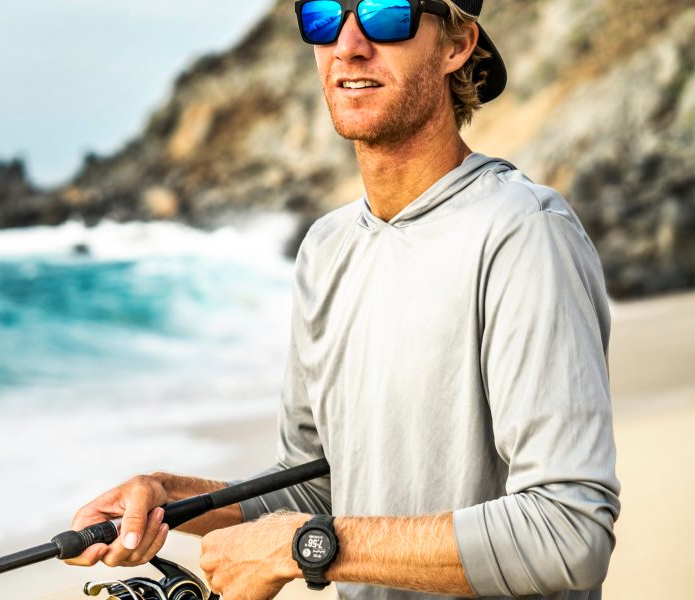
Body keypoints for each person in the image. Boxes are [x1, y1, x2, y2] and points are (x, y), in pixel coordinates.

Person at [65, 0, 620, 598]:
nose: (349, 45)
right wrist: (169, 499)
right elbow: (317, 490)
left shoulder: (525, 232)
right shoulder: (326, 248)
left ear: (457, 44)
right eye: (324, 16)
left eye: (387, 12)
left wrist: (299, 547)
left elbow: (568, 531)